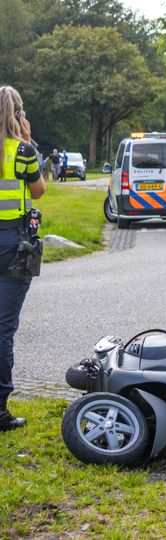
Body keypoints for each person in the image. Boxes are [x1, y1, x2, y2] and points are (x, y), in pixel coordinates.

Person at [0, 86, 46, 431]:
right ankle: (0, 410)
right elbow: (39, 190)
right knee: (3, 328)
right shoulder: (23, 151)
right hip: (12, 242)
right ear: (17, 114)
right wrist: (29, 139)